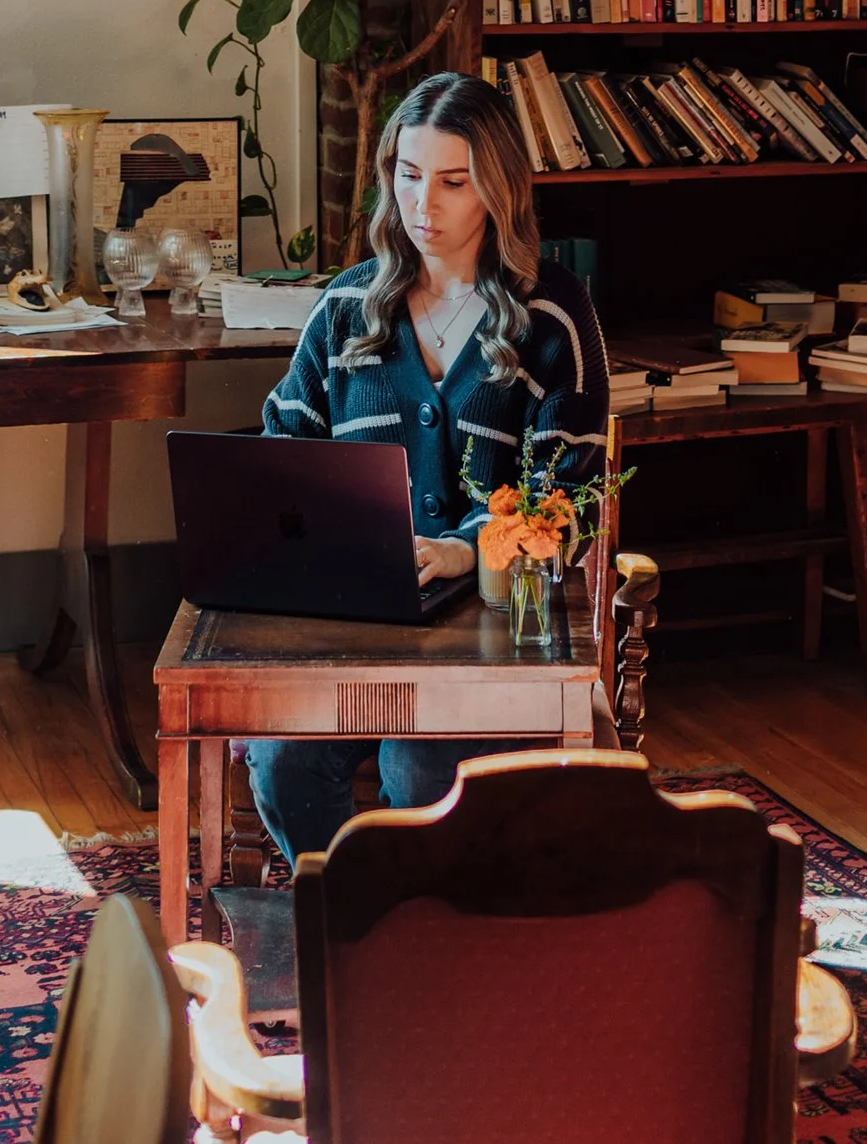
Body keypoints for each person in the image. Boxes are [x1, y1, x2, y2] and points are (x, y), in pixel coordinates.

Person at [245, 72, 610, 864]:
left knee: (421, 766)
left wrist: (464, 548)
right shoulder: (346, 309)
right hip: (352, 624)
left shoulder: (552, 317)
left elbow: (568, 498)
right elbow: (283, 460)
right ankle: (349, 920)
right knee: (282, 762)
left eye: (453, 181)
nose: (424, 206)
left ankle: (428, 935)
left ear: (497, 188)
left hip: (492, 633)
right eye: (409, 176)